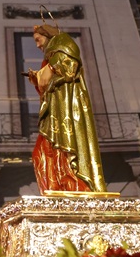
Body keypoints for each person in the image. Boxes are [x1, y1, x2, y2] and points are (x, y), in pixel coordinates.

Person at [28, 23, 107, 193]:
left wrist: (48, 71)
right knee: (42, 151)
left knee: (61, 147)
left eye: (38, 40)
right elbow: (47, 83)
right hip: (55, 108)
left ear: (47, 35)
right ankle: (55, 184)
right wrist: (38, 79)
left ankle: (71, 182)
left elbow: (67, 70)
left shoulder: (64, 47)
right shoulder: (51, 55)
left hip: (66, 108)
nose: (38, 45)